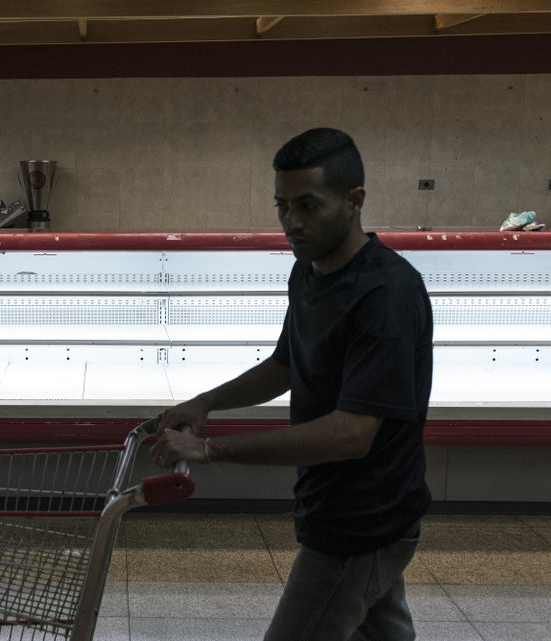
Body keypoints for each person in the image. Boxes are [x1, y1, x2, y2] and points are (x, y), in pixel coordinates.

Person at [150, 127, 433, 641]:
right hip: (338, 505)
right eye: (281, 206)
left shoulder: (385, 293)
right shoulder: (309, 271)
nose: (292, 223)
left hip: (362, 520)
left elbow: (352, 433)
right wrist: (206, 402)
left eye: (308, 205)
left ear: (355, 200)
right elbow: (285, 365)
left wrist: (210, 451)